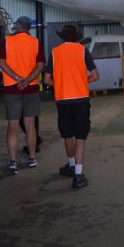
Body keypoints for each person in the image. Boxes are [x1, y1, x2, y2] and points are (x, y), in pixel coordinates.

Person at [44, 24, 99, 189]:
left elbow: (47, 80)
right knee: (80, 137)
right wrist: (82, 82)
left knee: (68, 134)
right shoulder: (82, 50)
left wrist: (60, 86)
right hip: (81, 99)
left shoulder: (55, 52)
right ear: (76, 37)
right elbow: (95, 76)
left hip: (63, 99)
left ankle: (71, 165)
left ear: (62, 38)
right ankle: (78, 176)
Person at [0, 16, 45, 175]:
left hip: (12, 88)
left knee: (13, 125)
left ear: (18, 26)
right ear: (29, 28)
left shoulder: (7, 41)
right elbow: (40, 65)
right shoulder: (36, 42)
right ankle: (32, 158)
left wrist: (17, 78)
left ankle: (13, 161)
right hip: (30, 88)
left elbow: (2, 63)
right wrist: (28, 80)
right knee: (30, 124)